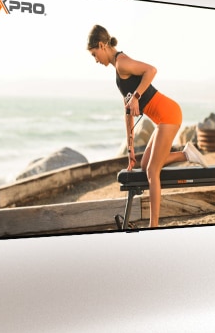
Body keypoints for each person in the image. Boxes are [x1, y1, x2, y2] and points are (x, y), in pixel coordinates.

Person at [87, 25, 206, 229]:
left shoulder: (122, 62)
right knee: (144, 165)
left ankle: (154, 226)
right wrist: (131, 148)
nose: (95, 60)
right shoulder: (118, 70)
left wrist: (137, 96)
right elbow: (127, 111)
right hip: (163, 118)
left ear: (101, 45)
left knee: (152, 171)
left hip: (169, 115)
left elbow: (151, 70)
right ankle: (186, 154)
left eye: (94, 54)